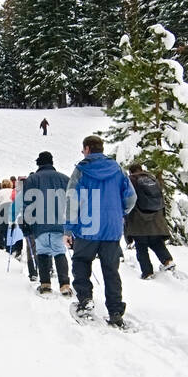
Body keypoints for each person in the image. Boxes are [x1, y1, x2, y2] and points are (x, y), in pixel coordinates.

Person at [64, 135, 136, 327]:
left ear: (87, 149)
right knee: (111, 270)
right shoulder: (118, 169)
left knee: (81, 262)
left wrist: (68, 230)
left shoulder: (81, 170)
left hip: (87, 227)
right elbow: (131, 197)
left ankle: (85, 300)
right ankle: (115, 311)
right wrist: (120, 212)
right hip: (112, 229)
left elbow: (72, 200)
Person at [21, 151, 72, 296]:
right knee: (59, 252)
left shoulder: (32, 180)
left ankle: (45, 284)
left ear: (39, 163)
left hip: (39, 224)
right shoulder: (64, 179)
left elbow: (26, 204)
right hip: (59, 223)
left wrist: (25, 223)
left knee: (42, 252)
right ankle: (65, 285)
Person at [124, 163, 176, 280]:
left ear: (131, 172)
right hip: (156, 220)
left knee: (141, 247)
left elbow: (128, 200)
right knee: (157, 242)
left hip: (138, 220)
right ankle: (167, 261)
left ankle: (147, 273)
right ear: (141, 170)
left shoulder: (131, 180)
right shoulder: (152, 179)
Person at [0, 178, 15, 250]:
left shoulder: (1, 192)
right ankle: (9, 245)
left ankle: (0, 244)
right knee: (9, 227)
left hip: (2, 209)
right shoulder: (13, 191)